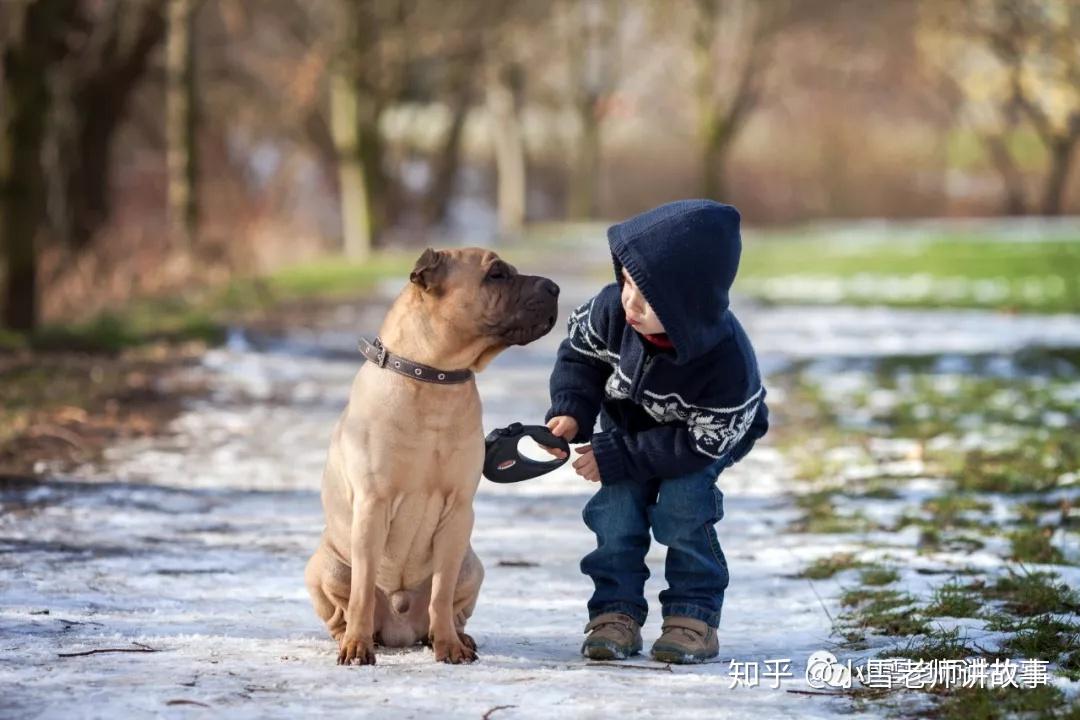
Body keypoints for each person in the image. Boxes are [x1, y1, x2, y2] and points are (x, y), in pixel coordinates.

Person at [543, 199, 769, 664]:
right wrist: (572, 409)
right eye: (625, 281)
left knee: (684, 506)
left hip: (705, 435)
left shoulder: (727, 363)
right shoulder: (610, 312)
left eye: (649, 295)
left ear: (690, 305)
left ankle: (693, 616)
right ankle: (614, 613)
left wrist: (619, 455)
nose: (630, 300)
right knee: (617, 510)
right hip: (632, 423)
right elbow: (579, 358)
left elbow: (700, 443)